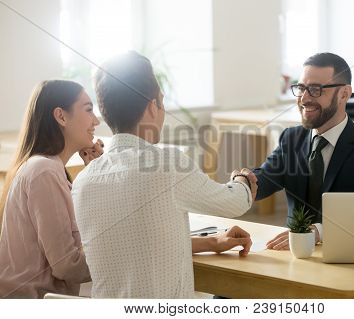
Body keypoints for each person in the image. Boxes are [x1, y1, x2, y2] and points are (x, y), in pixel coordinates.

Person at [71, 51, 257, 298]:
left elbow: (137, 246)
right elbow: (235, 202)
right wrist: (241, 180)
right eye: (161, 101)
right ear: (152, 106)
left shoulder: (82, 182)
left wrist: (213, 241)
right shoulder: (167, 164)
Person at [253, 52, 354, 250]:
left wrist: (318, 232)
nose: (304, 98)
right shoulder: (291, 138)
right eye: (301, 88)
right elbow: (265, 178)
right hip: (293, 255)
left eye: (315, 89)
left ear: (344, 94)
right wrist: (244, 181)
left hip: (348, 255)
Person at [0, 80, 104, 298]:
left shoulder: (49, 169)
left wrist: (93, 174)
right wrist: (122, 255)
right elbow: (67, 266)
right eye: (88, 109)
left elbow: (84, 236)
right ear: (61, 116)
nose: (96, 120)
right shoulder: (44, 171)